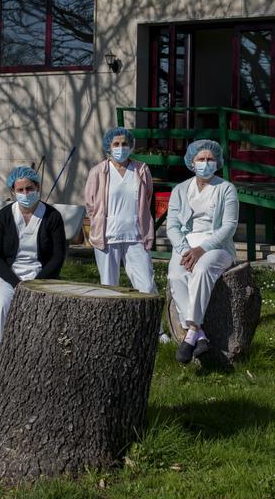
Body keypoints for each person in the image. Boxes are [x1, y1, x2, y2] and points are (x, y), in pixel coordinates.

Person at [0, 166, 67, 384]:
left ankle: (45, 366)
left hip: (42, 276)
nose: (26, 193)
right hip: (10, 276)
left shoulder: (52, 216)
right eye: (20, 189)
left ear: (38, 188)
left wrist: (37, 282)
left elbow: (58, 256)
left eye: (30, 188)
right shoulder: (4, 216)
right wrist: (16, 283)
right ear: (13, 191)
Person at [165, 139, 239, 364]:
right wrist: (185, 249)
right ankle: (200, 335)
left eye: (210, 159)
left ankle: (190, 333)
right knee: (176, 274)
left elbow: (229, 226)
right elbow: (172, 226)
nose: (205, 163)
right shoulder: (180, 190)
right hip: (187, 244)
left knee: (203, 269)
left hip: (217, 246)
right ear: (191, 162)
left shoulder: (226, 189)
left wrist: (201, 250)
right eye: (201, 159)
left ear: (217, 162)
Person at [84, 126, 158, 297]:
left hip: (136, 235)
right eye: (116, 144)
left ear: (131, 145)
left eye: (124, 143)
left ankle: (150, 324)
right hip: (107, 236)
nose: (120, 147)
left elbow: (147, 197)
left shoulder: (141, 170)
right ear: (108, 146)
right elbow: (90, 204)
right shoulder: (98, 172)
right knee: (109, 289)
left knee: (146, 286)